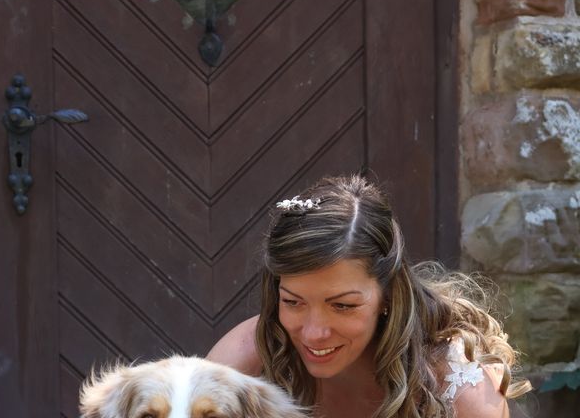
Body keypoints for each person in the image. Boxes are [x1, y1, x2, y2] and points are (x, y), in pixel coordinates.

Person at [207, 175, 531, 418]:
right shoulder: (248, 355)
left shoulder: (461, 390)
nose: (314, 332)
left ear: (388, 294)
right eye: (293, 302)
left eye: (343, 306)